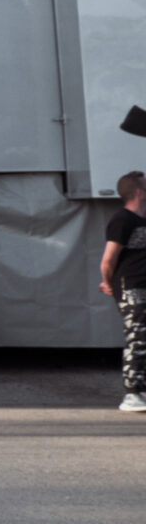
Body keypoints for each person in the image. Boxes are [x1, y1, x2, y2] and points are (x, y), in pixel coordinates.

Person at [100, 171, 146, 413]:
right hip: (132, 287)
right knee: (137, 337)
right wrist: (108, 283)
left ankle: (143, 388)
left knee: (144, 339)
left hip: (143, 286)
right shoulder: (123, 220)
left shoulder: (142, 220)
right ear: (138, 192)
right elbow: (108, 260)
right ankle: (132, 393)